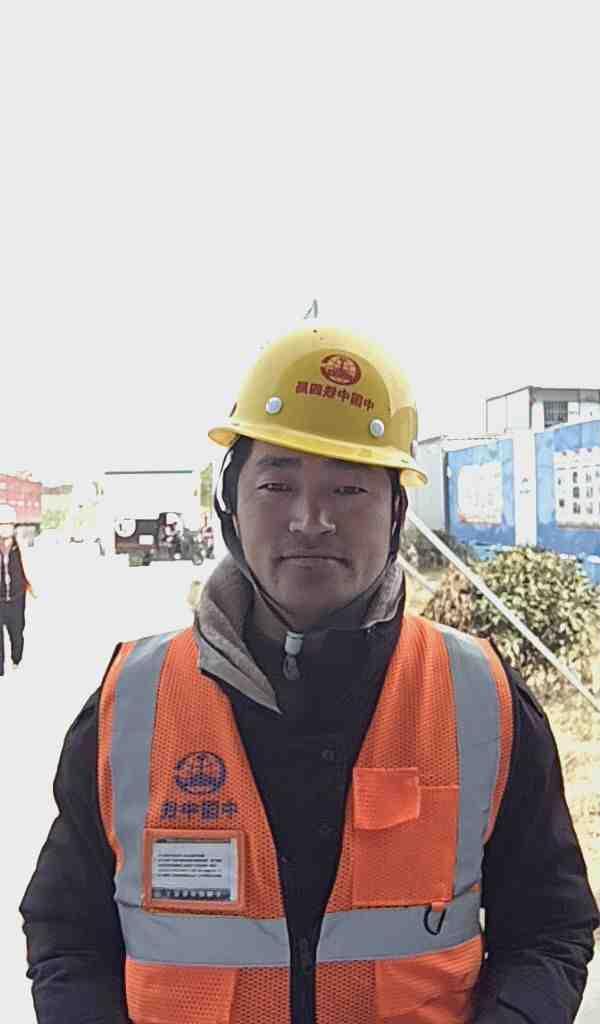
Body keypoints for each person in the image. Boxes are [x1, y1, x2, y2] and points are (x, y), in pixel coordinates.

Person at [20, 326, 599, 1024]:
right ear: (231, 501)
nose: (311, 519)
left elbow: (549, 929)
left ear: (396, 510)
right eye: (277, 483)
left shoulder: (481, 700)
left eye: (349, 487)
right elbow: (67, 937)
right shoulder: (131, 704)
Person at [0, 503, 36, 676]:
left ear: (13, 526)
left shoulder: (20, 546)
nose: (4, 528)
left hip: (16, 598)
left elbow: (30, 567)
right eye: (1, 525)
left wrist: (33, 586)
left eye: (8, 525)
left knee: (17, 632)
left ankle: (16, 659)